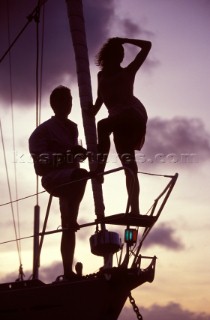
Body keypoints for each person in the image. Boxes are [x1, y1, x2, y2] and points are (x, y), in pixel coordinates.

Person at [29, 85, 88, 280]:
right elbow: (41, 164)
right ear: (55, 104)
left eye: (70, 101)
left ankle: (68, 271)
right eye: (65, 101)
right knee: (80, 176)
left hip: (72, 177)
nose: (69, 105)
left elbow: (73, 157)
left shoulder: (72, 128)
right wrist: (67, 155)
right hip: (53, 178)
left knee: (68, 226)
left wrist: (80, 154)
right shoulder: (41, 132)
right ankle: (71, 218)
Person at [90, 37, 152, 214]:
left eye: (122, 55)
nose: (122, 58)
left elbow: (147, 46)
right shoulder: (100, 76)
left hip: (133, 116)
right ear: (109, 57)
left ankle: (100, 169)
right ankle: (135, 210)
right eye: (119, 54)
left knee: (103, 126)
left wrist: (124, 40)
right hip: (117, 122)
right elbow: (100, 99)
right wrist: (92, 110)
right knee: (129, 166)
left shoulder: (128, 72)